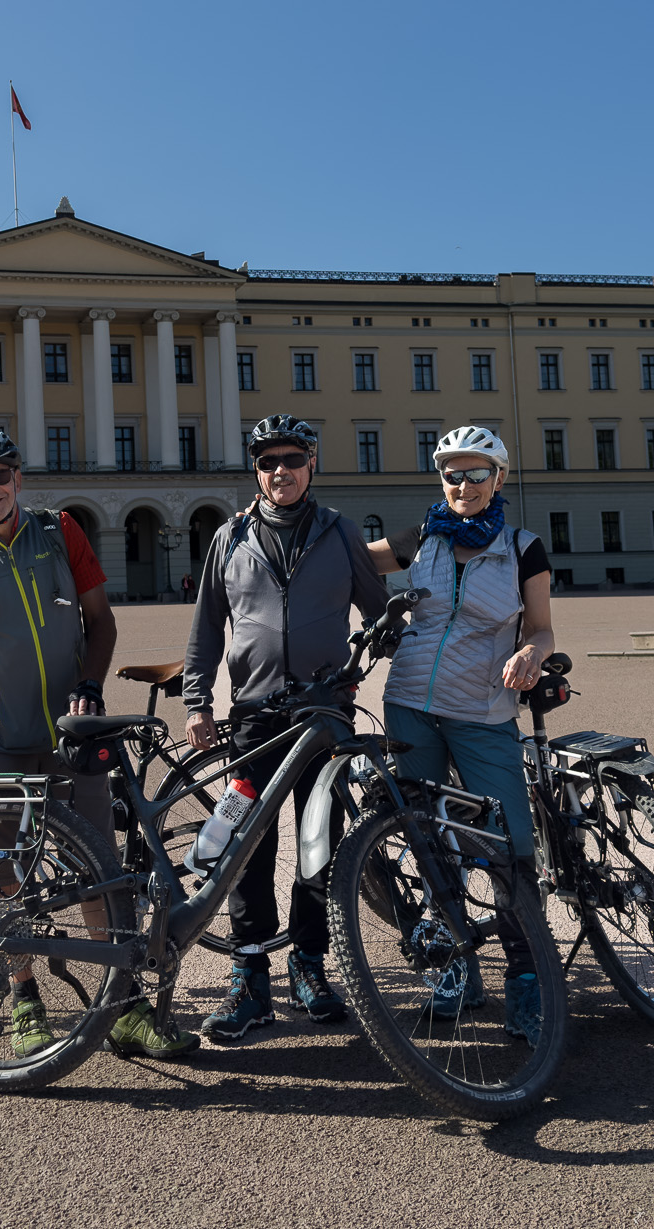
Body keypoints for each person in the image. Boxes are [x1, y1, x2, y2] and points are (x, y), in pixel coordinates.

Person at [0, 429, 195, 1061]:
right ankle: (25, 1000)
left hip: (71, 736)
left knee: (99, 870)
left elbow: (101, 620)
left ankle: (120, 1008)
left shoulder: (61, 533)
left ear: (18, 478)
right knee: (7, 876)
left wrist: (93, 682)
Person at [183, 413, 387, 1040]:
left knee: (317, 845)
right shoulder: (229, 537)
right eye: (269, 462)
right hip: (254, 716)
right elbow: (206, 627)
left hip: (325, 715)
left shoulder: (340, 532)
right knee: (246, 849)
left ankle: (309, 964)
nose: (281, 472)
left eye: (292, 460)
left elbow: (379, 614)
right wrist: (198, 702)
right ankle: (250, 979)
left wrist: (370, 656)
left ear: (311, 464)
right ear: (257, 470)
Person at [363, 426, 558, 1041]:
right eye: (453, 474)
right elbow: (347, 555)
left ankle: (526, 983)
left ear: (498, 479)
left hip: (482, 711)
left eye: (477, 474)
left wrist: (532, 653)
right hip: (410, 706)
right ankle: (454, 967)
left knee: (508, 845)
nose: (464, 486)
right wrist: (270, 517)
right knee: (426, 841)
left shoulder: (523, 548)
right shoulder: (423, 538)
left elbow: (544, 629)